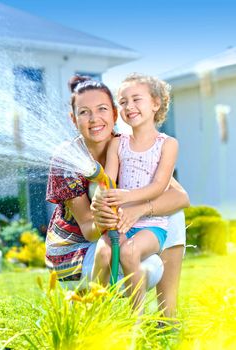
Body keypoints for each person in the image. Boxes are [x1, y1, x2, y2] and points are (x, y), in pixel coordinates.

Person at [45, 75, 189, 310]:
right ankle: (98, 318)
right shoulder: (67, 159)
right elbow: (90, 231)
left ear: (113, 113)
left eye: (101, 109)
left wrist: (140, 209)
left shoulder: (128, 145)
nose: (94, 119)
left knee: (173, 214)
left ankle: (167, 316)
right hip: (75, 257)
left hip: (119, 237)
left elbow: (180, 197)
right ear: (73, 119)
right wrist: (103, 219)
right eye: (84, 112)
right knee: (143, 263)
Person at [92, 73, 178, 309]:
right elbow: (107, 181)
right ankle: (95, 314)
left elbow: (159, 186)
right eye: (123, 101)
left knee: (129, 254)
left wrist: (128, 196)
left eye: (136, 99)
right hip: (119, 222)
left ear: (155, 103)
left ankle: (135, 323)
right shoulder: (117, 143)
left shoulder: (167, 144)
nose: (129, 106)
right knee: (102, 255)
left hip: (152, 226)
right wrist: (101, 198)